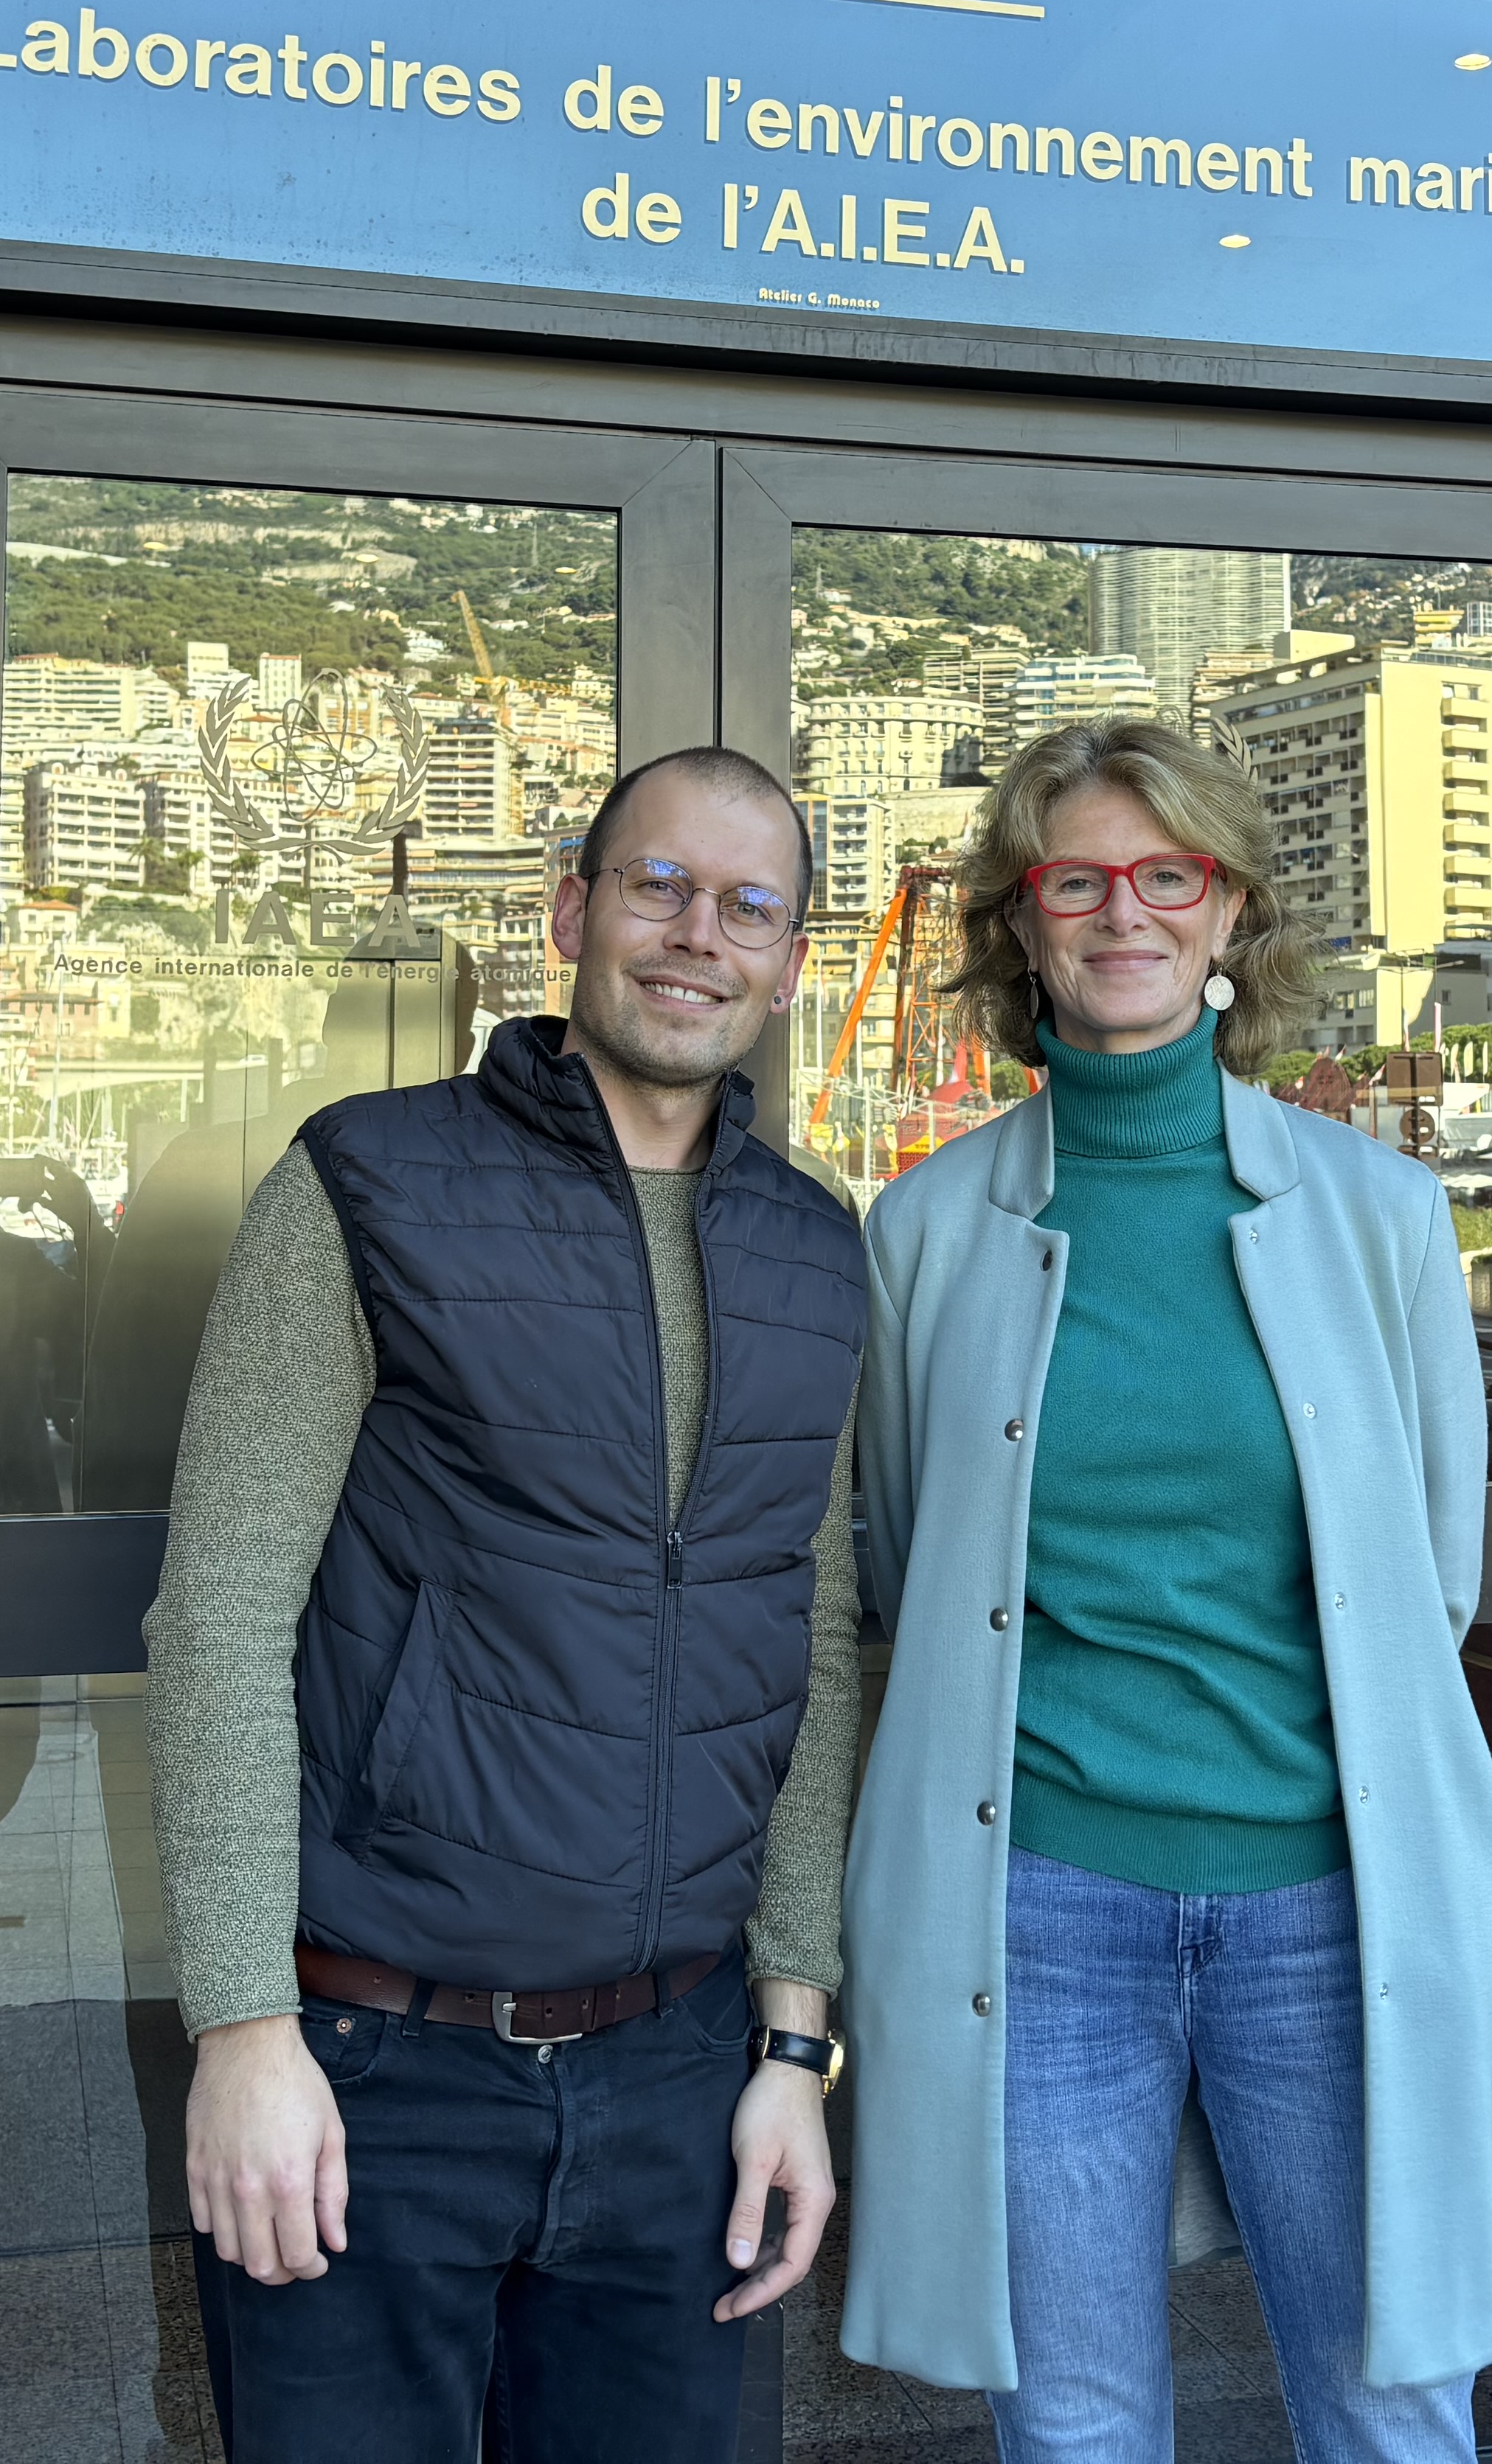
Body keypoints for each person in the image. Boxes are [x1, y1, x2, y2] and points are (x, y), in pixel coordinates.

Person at [141, 748, 868, 2462]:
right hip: (373, 2071)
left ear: (790, 961)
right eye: (660, 887)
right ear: (572, 912)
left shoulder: (816, 1245)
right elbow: (223, 1617)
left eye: (750, 907)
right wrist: (243, 2026)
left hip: (684, 2074)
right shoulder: (365, 1182)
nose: (701, 936)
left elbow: (810, 1644)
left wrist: (793, 2041)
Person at [839, 715, 1492, 2460]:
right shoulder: (924, 1234)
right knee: (1070, 2426)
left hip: (1327, 1905)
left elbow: (1428, 1577)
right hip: (1045, 1911)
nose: (1123, 911)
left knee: (1391, 2411)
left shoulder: (1377, 1213)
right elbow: (916, 1566)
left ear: (1231, 918)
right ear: (1025, 922)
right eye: (1078, 878)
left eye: (1168, 875)